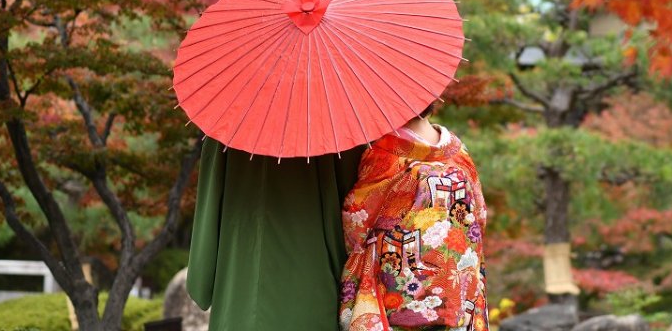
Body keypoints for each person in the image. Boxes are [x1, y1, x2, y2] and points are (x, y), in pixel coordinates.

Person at [186, 140, 365, 330]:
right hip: (313, 282)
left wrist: (202, 276)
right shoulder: (335, 125)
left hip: (239, 285)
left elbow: (210, 202)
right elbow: (355, 210)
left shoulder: (228, 124)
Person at [339, 104, 488, 331]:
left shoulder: (383, 153)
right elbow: (479, 217)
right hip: (458, 286)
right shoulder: (459, 154)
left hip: (401, 288)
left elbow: (356, 219)